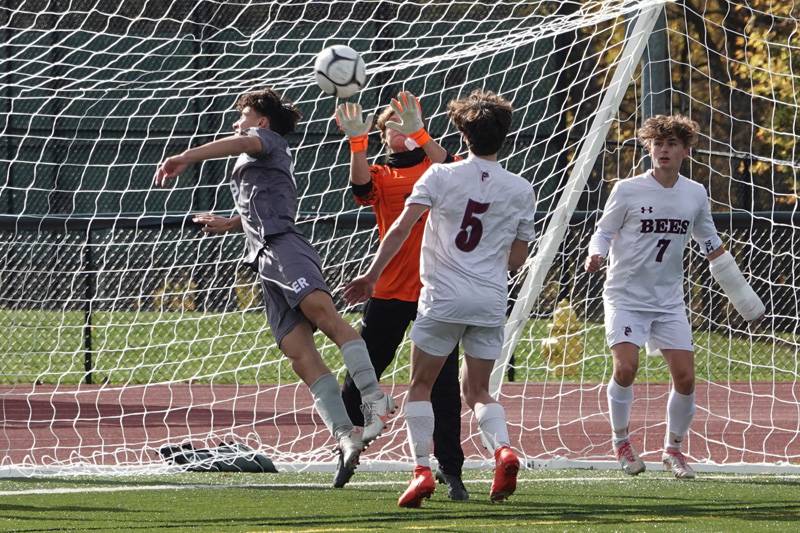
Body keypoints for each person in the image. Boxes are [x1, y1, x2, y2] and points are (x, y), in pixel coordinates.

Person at [154, 87, 396, 473]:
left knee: (327, 318)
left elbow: (239, 143)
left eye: (244, 115)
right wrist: (230, 224)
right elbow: (263, 205)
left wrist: (184, 157)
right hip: (264, 258)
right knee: (299, 354)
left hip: (285, 248)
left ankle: (373, 397)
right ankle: (345, 433)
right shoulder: (261, 154)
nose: (238, 122)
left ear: (262, 122)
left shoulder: (265, 140)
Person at [344, 89, 536, 507]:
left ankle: (421, 471)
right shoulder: (521, 188)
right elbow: (517, 260)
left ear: (462, 133)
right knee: (479, 392)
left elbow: (399, 230)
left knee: (420, 385)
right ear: (504, 134)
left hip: (442, 298)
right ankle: (503, 449)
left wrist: (371, 276)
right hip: (489, 300)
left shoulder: (440, 176)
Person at [584, 114, 765, 479]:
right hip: (625, 296)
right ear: (648, 147)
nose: (663, 150)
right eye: (657, 144)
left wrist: (743, 296)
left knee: (685, 378)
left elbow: (710, 242)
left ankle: (673, 450)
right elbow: (603, 232)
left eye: (671, 145)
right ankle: (622, 442)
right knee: (626, 368)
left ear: (685, 151)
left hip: (668, 301)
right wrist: (595, 252)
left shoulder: (694, 194)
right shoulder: (628, 189)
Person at [332, 92, 467, 498]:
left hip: (436, 292)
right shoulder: (380, 173)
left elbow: (449, 166)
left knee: (443, 384)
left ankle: (450, 468)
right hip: (388, 289)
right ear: (382, 135)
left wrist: (420, 132)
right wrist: (356, 143)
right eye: (390, 124)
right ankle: (349, 445)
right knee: (360, 375)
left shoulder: (438, 165)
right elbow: (360, 187)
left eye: (404, 122)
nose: (398, 129)